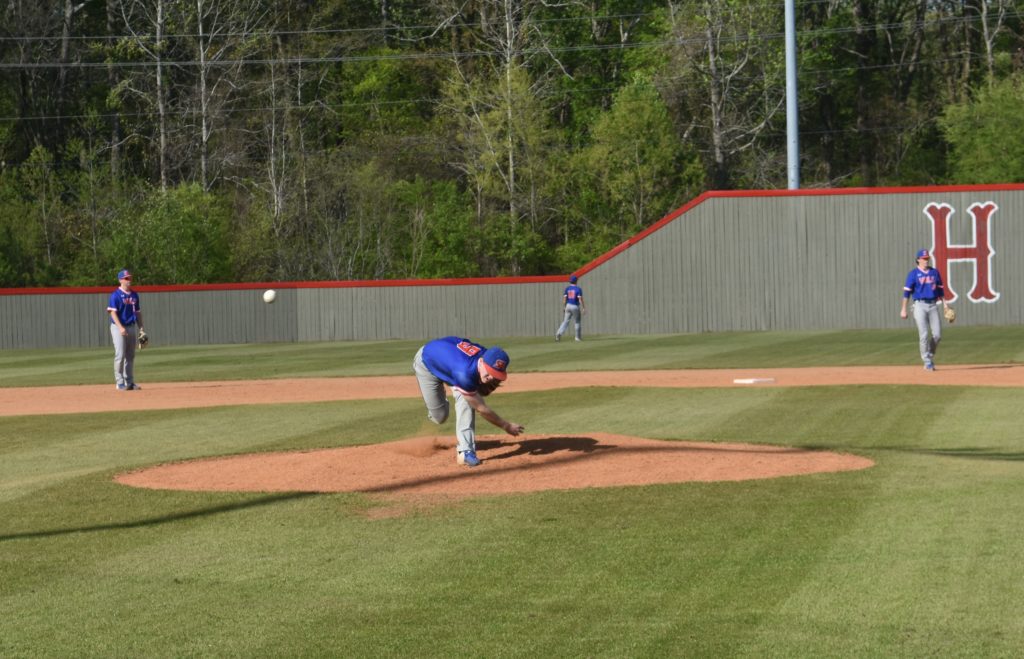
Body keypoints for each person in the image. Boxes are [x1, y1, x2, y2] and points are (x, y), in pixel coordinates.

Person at [412, 336, 525, 467]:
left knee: (467, 400)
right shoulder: (464, 373)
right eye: (489, 372)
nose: (490, 378)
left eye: (494, 375)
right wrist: (506, 425)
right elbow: (481, 409)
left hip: (450, 362)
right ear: (482, 361)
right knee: (440, 417)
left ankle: (466, 451)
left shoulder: (487, 356)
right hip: (427, 363)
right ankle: (443, 393)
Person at [900, 249, 949, 371]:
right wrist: (903, 309)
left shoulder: (934, 272)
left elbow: (941, 291)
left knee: (937, 335)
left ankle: (930, 355)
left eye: (927, 258)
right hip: (919, 305)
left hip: (933, 305)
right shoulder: (913, 274)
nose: (926, 260)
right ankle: (927, 362)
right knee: (924, 334)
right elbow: (906, 293)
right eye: (924, 258)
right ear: (918, 260)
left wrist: (945, 305)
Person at [107, 269, 144, 390]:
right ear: (120, 280)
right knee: (120, 354)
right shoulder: (115, 295)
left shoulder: (134, 295)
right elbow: (113, 313)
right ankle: (119, 382)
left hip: (131, 326)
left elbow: (138, 313)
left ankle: (130, 382)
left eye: (130, 278)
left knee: (130, 355)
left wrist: (141, 328)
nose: (129, 280)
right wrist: (120, 327)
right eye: (126, 278)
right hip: (118, 327)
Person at [554, 274, 586, 342]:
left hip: (568, 305)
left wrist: (564, 307)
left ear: (570, 281)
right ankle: (577, 338)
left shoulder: (567, 289)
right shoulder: (578, 289)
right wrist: (583, 307)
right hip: (575, 306)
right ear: (576, 281)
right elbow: (580, 299)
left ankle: (558, 333)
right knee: (577, 321)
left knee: (565, 321)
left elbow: (565, 299)